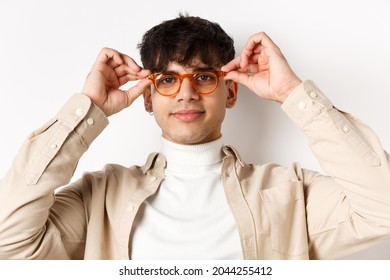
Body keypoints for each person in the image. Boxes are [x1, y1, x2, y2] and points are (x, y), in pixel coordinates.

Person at [0, 15, 389, 260]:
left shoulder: (290, 192)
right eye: (168, 79)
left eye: (203, 77)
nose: (186, 93)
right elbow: (9, 239)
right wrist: (87, 109)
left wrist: (293, 94)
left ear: (231, 91)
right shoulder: (99, 197)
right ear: (148, 98)